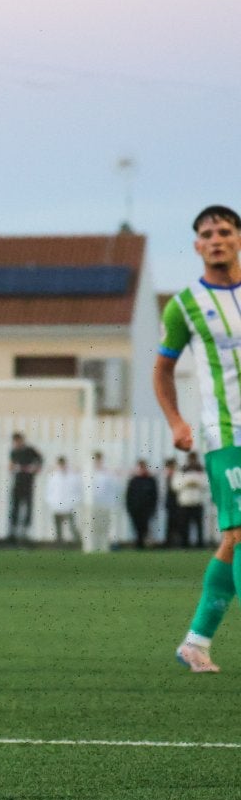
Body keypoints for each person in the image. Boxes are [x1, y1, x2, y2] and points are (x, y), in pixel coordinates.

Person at [156, 204, 241, 671]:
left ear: (238, 239)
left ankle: (196, 642)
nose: (216, 239)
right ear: (197, 246)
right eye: (207, 233)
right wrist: (175, 421)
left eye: (224, 231)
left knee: (232, 542)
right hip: (226, 433)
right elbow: (163, 369)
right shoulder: (184, 304)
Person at [7, 432, 43, 543]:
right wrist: (13, 467)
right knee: (15, 506)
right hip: (18, 482)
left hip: (28, 483)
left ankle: (25, 531)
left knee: (28, 506)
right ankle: (13, 530)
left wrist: (35, 468)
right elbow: (11, 466)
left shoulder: (30, 451)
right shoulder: (13, 452)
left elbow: (40, 460)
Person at [44, 456, 81, 544]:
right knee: (58, 527)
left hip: (69, 505)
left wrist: (74, 502)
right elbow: (49, 491)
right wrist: (51, 502)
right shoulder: (53, 476)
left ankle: (78, 543)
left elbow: (77, 490)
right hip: (56, 505)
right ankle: (59, 543)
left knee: (72, 525)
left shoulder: (72, 476)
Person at [173, 452, 207, 548]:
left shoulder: (201, 470)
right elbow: (175, 485)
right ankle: (184, 544)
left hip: (197, 502)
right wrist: (187, 484)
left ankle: (200, 544)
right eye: (191, 458)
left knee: (199, 526)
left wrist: (197, 484)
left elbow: (206, 484)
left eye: (194, 458)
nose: (192, 461)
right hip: (185, 503)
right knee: (184, 525)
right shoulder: (182, 471)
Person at [124, 459, 159, 550]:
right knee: (136, 526)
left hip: (146, 508)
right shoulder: (133, 480)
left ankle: (142, 544)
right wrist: (129, 507)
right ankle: (139, 543)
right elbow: (128, 495)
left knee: (144, 527)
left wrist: (153, 508)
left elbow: (155, 496)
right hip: (135, 509)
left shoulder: (151, 480)